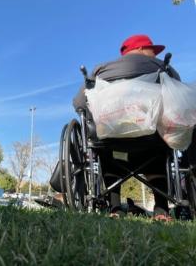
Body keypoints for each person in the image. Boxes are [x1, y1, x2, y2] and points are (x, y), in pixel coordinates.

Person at [73, 34, 184, 221]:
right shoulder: (163, 68)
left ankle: (115, 208)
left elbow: (79, 104)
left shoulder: (100, 71)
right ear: (140, 49)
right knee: (158, 152)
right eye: (152, 50)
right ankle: (161, 210)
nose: (154, 54)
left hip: (110, 143)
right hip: (153, 142)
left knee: (107, 151)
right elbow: (179, 99)